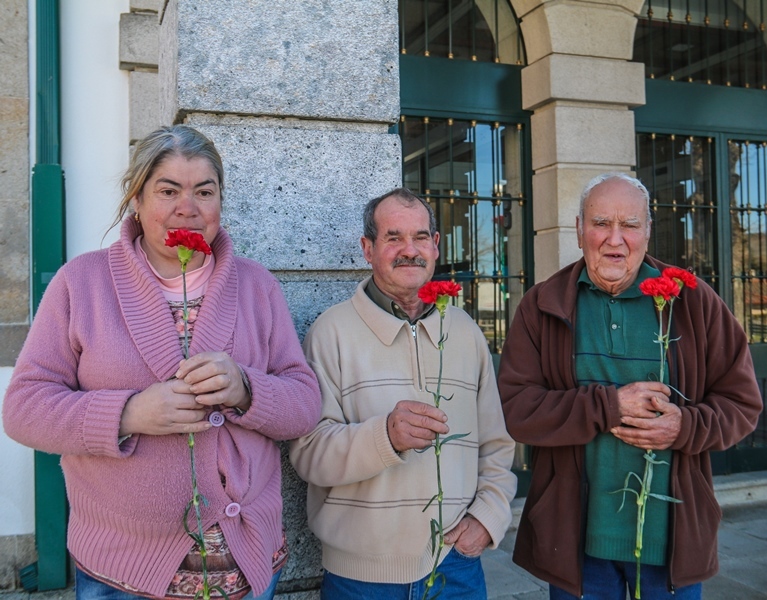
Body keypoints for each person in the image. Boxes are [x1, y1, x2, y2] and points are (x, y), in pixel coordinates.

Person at [3, 125, 322, 600]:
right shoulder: (81, 284)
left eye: (204, 191)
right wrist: (129, 414)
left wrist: (247, 390)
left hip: (247, 567)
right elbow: (24, 409)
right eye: (167, 190)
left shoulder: (257, 286)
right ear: (136, 199)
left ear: (220, 202)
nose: (187, 207)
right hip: (124, 574)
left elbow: (304, 402)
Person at [498, 172, 763, 599]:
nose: (614, 239)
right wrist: (609, 406)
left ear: (648, 231)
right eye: (601, 223)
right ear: (579, 228)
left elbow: (742, 404)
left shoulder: (693, 301)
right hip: (576, 547)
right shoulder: (543, 305)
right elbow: (517, 410)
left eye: (630, 225)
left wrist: (685, 427)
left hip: (671, 547)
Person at [289, 187, 517, 599]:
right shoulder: (331, 332)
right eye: (393, 237)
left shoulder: (465, 332)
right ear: (368, 248)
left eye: (420, 237)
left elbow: (497, 446)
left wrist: (488, 518)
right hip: (361, 580)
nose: (409, 250)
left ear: (436, 246)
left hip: (455, 570)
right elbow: (308, 454)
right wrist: (386, 437)